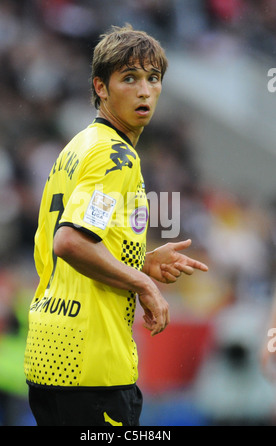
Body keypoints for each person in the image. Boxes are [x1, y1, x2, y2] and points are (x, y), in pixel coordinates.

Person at [24, 24, 208, 427]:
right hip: (93, 365)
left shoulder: (77, 147)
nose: (144, 91)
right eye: (129, 78)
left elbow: (81, 239)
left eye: (152, 79)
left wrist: (139, 261)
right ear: (100, 87)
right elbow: (70, 242)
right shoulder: (116, 156)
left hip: (48, 357)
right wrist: (143, 284)